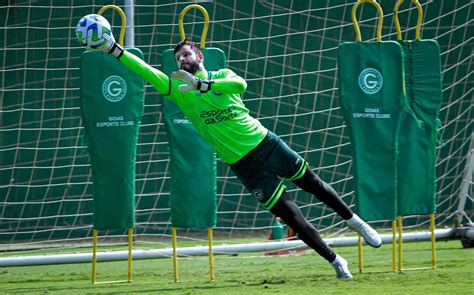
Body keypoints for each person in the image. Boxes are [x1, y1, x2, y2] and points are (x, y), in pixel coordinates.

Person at [94, 30, 382, 279]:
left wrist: (203, 85)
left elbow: (240, 85)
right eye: (178, 57)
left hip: (266, 143)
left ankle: (355, 222)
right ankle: (336, 261)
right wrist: (113, 49)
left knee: (313, 183)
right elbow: (146, 71)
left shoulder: (221, 76)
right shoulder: (179, 89)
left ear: (200, 56)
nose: (182, 59)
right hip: (245, 165)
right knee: (292, 216)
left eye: (186, 54)